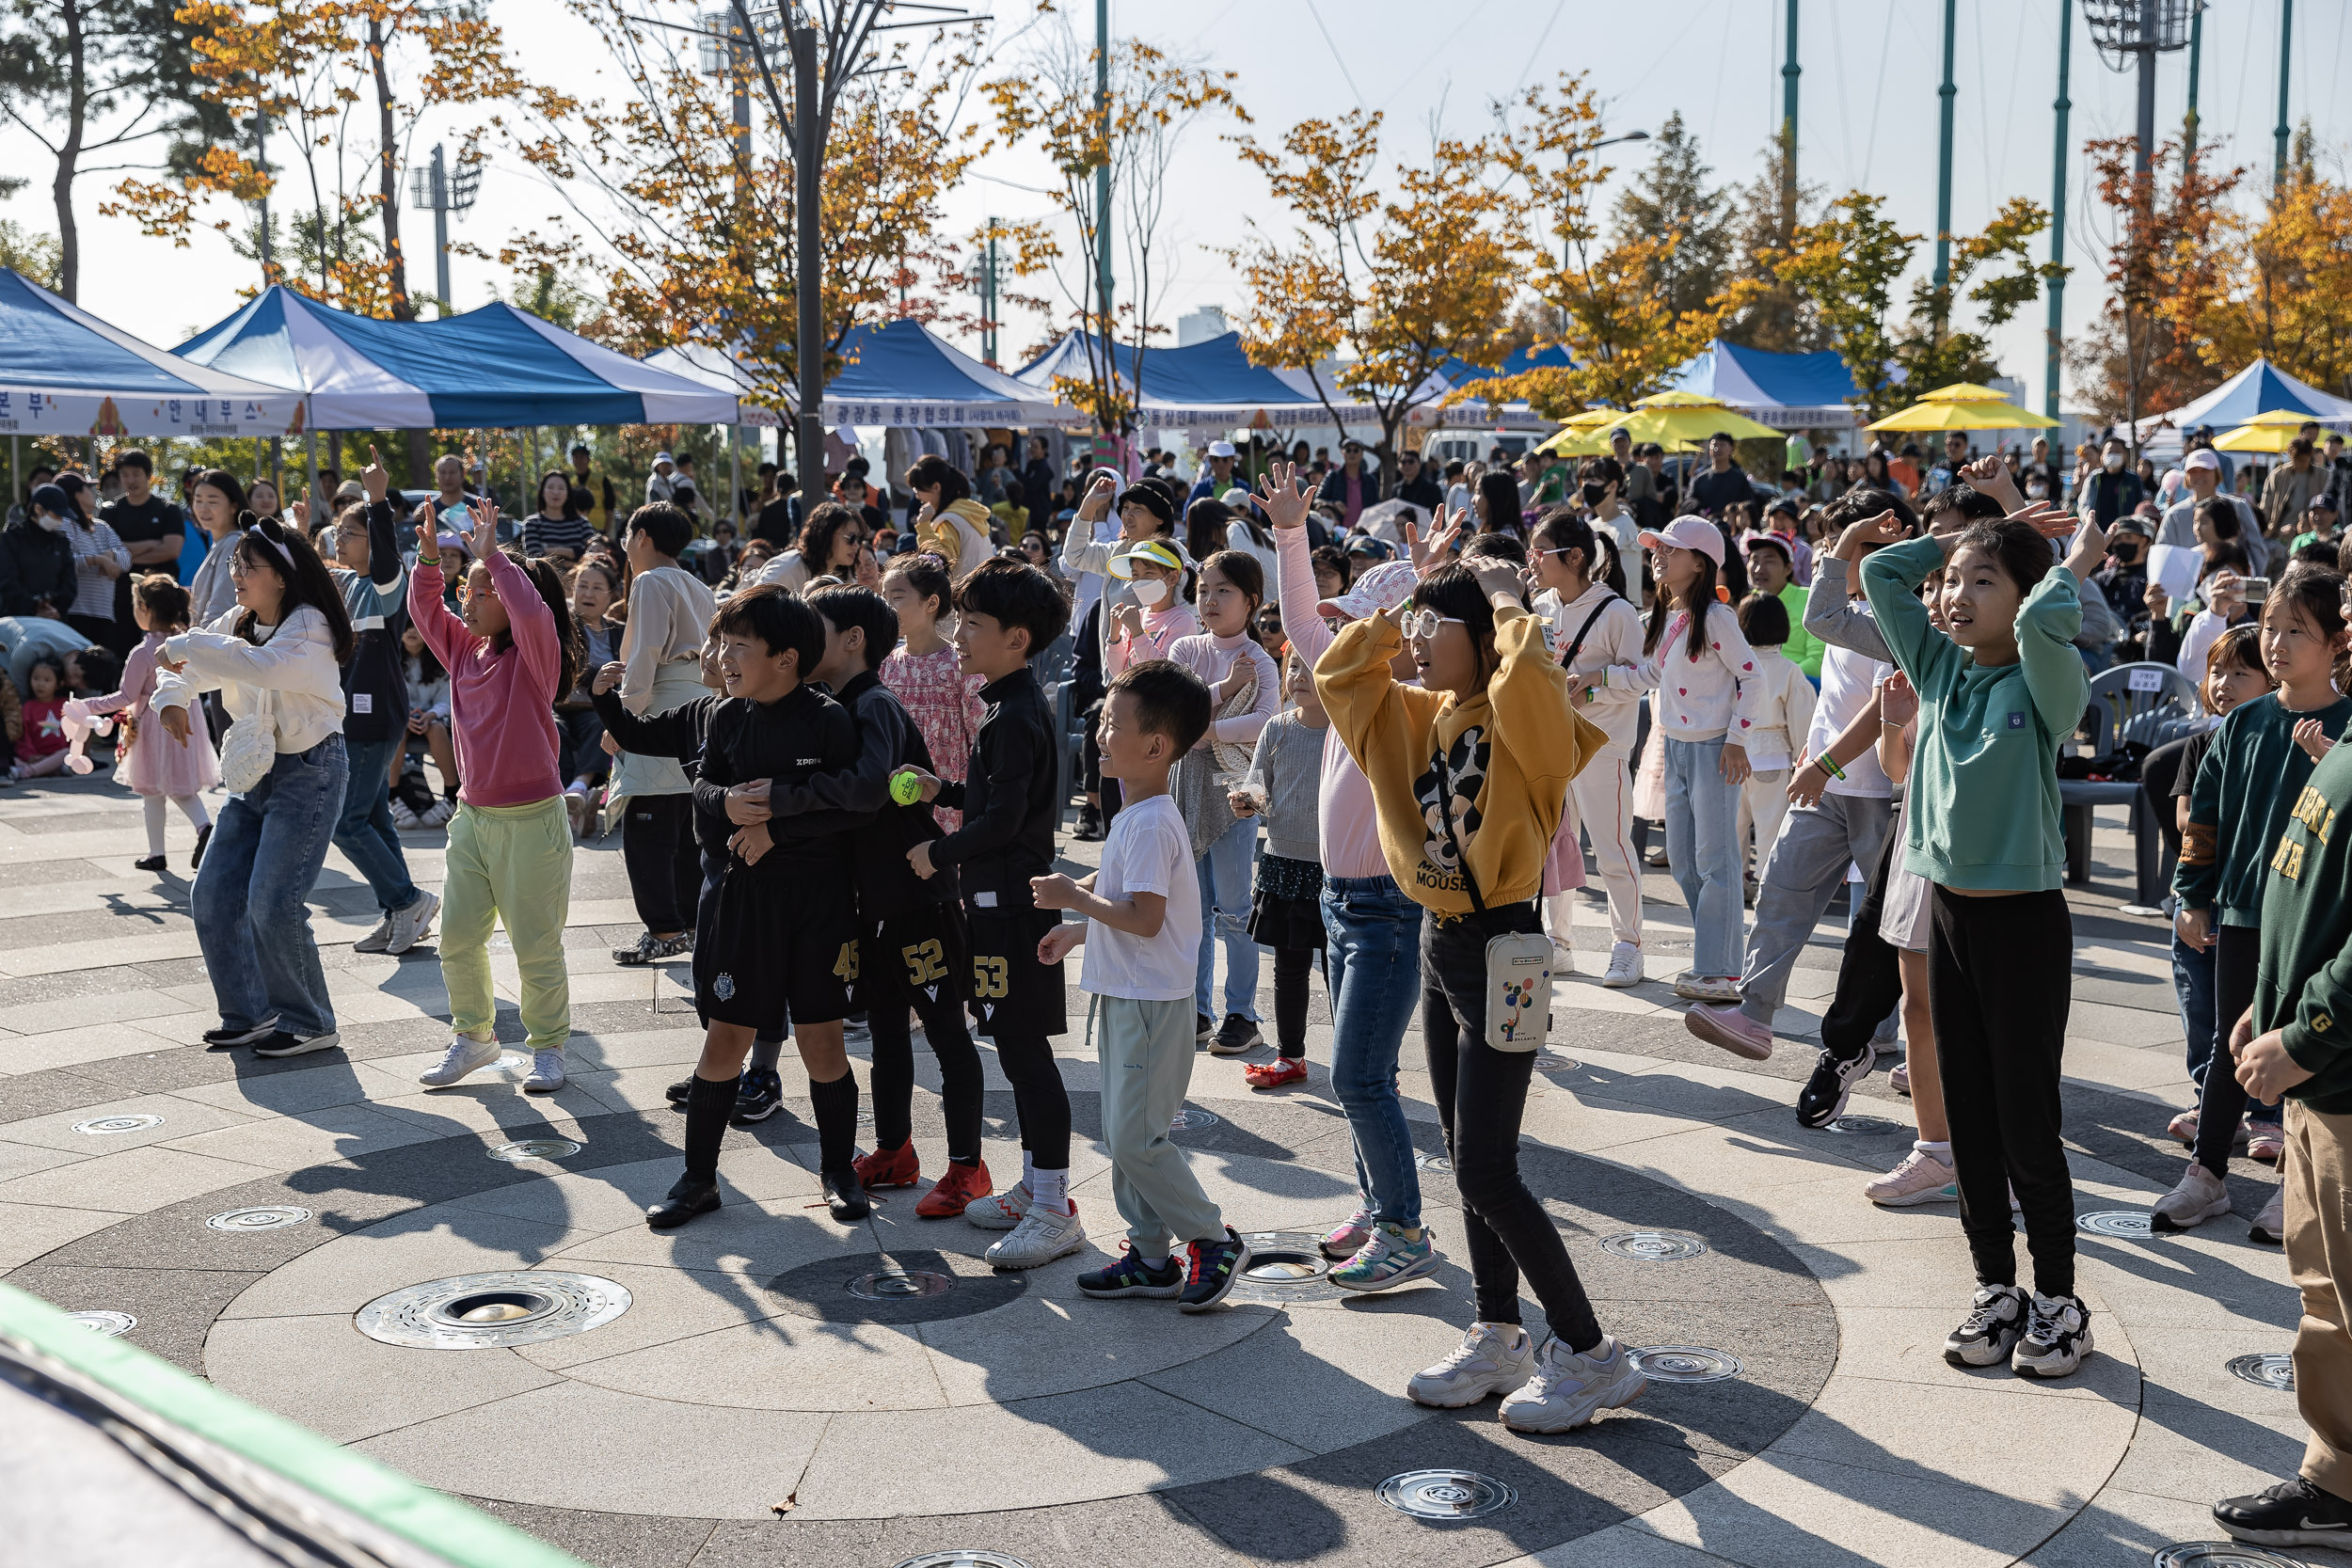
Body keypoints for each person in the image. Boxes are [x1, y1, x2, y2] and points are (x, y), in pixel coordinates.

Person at [1319, 546, 1645, 1431]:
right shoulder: (1423, 711)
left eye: (1436, 627)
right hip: (1442, 941)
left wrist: (1504, 596)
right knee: (1464, 1155)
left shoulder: (1519, 720)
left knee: (1488, 1166)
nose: (1420, 641)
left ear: (1488, 640)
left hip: (1507, 944)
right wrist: (1403, 605)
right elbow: (1340, 675)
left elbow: (1532, 677)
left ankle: (1588, 1352)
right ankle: (1500, 1332)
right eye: (1417, 627)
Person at [1861, 497, 2100, 1378]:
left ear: (2026, 595)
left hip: (2024, 924)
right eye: (1953, 581)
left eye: (1981, 580)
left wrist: (2070, 560)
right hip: (1950, 916)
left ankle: (2059, 1301)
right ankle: (1995, 1285)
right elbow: (1884, 573)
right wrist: (1966, 533)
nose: (1956, 593)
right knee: (1968, 1116)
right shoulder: (1940, 672)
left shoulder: (2044, 682)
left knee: (2027, 1122)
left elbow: (2043, 624)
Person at [596, 585, 871, 1226]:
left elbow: (851, 807)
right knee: (725, 1038)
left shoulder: (826, 719)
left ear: (787, 657)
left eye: (740, 647)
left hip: (819, 903)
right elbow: (704, 791)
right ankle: (698, 1178)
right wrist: (725, 804)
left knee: (822, 1041)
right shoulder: (724, 717)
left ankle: (838, 1170)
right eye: (723, 644)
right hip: (745, 901)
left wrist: (775, 818)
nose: (724, 658)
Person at [760, 584, 992, 1218]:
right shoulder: (833, 704)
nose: (803, 643)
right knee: (888, 1030)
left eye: (816, 628)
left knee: (946, 1031)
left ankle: (969, 1166)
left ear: (854, 639)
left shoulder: (875, 704)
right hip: (874, 906)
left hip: (919, 899)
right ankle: (895, 1150)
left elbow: (866, 790)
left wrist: (779, 799)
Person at [1034, 658, 1254, 1310]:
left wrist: (1076, 898)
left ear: (1156, 745)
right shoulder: (1136, 814)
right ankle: (1151, 1256)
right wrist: (1081, 929)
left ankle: (1212, 1238)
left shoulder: (1154, 819)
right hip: (1130, 997)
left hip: (1153, 1005)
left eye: (1113, 723)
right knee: (1126, 1131)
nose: (1101, 733)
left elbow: (1145, 916)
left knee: (1135, 1136)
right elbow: (1128, 906)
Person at [1685, 486, 1922, 1061]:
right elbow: (1839, 697)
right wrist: (1813, 753)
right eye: (1829, 544)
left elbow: (1879, 707)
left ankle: (1900, 1036)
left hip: (1880, 793)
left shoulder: (1904, 616)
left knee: (1891, 925)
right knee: (1780, 894)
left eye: (1846, 545)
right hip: (1825, 785)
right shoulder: (1859, 611)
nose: (1832, 558)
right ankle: (1755, 1014)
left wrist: (1825, 761)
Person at [2201, 662, 2352, 1555]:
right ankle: (2335, 1482)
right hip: (2321, 1075)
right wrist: (2274, 997)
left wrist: (2304, 1034)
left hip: (2339, 1077)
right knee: (2326, 1289)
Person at [2156, 567, 2349, 1233]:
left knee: (2299, 1052)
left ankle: (2296, 1180)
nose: (2278, 642)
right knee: (2225, 1046)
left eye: (2298, 629)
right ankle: (2207, 1172)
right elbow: (2202, 818)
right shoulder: (2242, 725)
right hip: (2241, 911)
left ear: (2335, 643)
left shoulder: (2347, 728)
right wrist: (2191, 894)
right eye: (2270, 626)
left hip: (2313, 922)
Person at [901, 560, 1079, 1268]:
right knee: (1011, 1045)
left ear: (1017, 637)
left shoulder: (1014, 713)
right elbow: (994, 802)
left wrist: (937, 852)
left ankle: (1054, 1204)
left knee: (1027, 1054)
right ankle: (1036, 1188)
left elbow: (1005, 822)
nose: (960, 635)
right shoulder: (1007, 705)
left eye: (972, 624)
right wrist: (940, 787)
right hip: (997, 905)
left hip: (1011, 908)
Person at [151, 515, 355, 1060]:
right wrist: (171, 696)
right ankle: (250, 1014)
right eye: (237, 563)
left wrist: (186, 647)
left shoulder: (310, 625)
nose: (237, 573)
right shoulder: (240, 618)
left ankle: (310, 1020)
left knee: (273, 902)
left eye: (249, 565)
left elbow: (256, 667)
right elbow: (195, 665)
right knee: (213, 895)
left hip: (310, 770)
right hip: (255, 773)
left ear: (283, 576)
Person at [403, 500, 579, 1093]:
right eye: (466, 590)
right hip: (472, 818)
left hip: (533, 821)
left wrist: (493, 558)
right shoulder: (463, 652)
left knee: (535, 945)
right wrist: (429, 556)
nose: (466, 601)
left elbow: (533, 614)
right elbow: (425, 606)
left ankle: (549, 1048)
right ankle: (474, 1037)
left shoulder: (536, 658)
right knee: (456, 938)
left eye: (480, 593)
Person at [1610, 515, 1762, 1001]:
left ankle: (1718, 969)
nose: (1659, 555)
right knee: (1682, 862)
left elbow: (1753, 677)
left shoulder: (1716, 617)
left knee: (1714, 861)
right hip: (1675, 747)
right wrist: (1596, 684)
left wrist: (1738, 739)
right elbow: (1649, 674)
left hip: (1715, 749)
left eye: (1670, 550)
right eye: (1658, 549)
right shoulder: (1675, 615)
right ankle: (1719, 960)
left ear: (1700, 563)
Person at [2159, 627, 2273, 1153]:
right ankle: (2209, 1097)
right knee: (2199, 1001)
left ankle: (2265, 1111)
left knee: (2257, 1002)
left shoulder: (2280, 741)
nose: (2223, 683)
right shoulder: (2205, 743)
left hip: (2256, 898)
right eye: (2217, 672)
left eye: (2240, 674)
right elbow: (2187, 817)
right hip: (2203, 890)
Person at [321, 451, 437, 957]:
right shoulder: (347, 583)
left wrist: (376, 500)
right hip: (353, 717)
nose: (339, 542)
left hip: (375, 716)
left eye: (349, 534)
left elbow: (389, 557)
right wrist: (305, 530)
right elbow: (313, 569)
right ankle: (400, 915)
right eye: (339, 534)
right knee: (374, 819)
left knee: (346, 823)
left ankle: (408, 900)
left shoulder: (387, 585)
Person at [1165, 549, 1279, 1052]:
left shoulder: (1262, 660)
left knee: (1235, 909)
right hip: (1188, 787)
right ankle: (1196, 1009)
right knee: (1193, 908)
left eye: (1223, 591)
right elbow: (1170, 707)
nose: (1209, 600)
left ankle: (1242, 1014)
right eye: (1203, 590)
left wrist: (1209, 728)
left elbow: (1267, 722)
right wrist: (1224, 689)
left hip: (1238, 790)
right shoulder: (1185, 648)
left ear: (1251, 601)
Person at [1529, 507, 1647, 985]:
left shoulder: (1617, 611)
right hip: (1552, 744)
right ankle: (1558, 942)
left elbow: (1642, 678)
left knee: (1613, 847)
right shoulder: (1539, 608)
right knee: (1557, 847)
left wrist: (1595, 682)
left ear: (1574, 556)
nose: (1533, 561)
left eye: (1541, 552)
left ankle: (1628, 945)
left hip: (1602, 746)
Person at [611, 503, 716, 967]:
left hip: (661, 701)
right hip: (700, 706)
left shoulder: (650, 581)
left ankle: (664, 928)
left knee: (647, 827)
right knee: (685, 824)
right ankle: (689, 923)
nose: (626, 549)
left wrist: (622, 719)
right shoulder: (700, 586)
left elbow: (645, 654)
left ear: (643, 537)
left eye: (628, 538)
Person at [79, 574, 216, 868]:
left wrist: (86, 705)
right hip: (185, 720)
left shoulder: (143, 653)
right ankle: (195, 832)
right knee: (181, 786)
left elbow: (124, 696)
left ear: (145, 609)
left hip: (155, 729)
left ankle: (169, 848)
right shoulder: (184, 644)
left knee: (153, 790)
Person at [879, 552, 983, 834]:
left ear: (931, 603)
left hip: (947, 793)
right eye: (884, 597)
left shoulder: (961, 665)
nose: (887, 606)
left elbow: (978, 736)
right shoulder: (885, 664)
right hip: (895, 789)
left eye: (897, 597)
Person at [1731, 593, 1817, 894]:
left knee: (1733, 829)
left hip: (1732, 759)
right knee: (1769, 831)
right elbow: (1801, 721)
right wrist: (1801, 761)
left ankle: (1734, 886)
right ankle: (1766, 895)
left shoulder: (1733, 668)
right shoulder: (1789, 670)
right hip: (1772, 761)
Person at [559, 557, 622, 837]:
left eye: (597, 588)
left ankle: (578, 789)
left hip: (597, 706)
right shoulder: (564, 625)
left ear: (611, 596)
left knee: (602, 723)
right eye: (582, 586)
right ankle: (573, 797)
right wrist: (610, 673)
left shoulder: (620, 631)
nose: (587, 593)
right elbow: (573, 665)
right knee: (552, 728)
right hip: (562, 701)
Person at [98, 451, 183, 656]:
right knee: (122, 651)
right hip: (121, 595)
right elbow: (106, 552)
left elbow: (171, 550)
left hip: (162, 593)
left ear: (148, 475)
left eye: (136, 474)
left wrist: (124, 554)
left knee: (166, 649)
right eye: (125, 475)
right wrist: (153, 543)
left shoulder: (167, 510)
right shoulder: (110, 512)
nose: (131, 480)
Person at [56, 474, 129, 648]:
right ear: (77, 494)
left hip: (104, 615)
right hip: (75, 614)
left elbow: (126, 559)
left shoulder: (102, 527)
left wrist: (110, 556)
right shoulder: (64, 524)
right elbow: (62, 564)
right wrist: (96, 560)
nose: (93, 492)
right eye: (88, 488)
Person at [2160, 449, 2264, 568]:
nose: (2199, 475)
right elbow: (2164, 554)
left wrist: (2250, 581)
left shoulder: (2238, 506)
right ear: (2186, 476)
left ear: (2216, 473)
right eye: (2193, 471)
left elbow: (2257, 549)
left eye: (2205, 470)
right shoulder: (2174, 514)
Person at [1744, 533, 1821, 682]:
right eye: (1754, 560)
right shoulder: (1746, 604)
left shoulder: (1810, 599)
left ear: (1788, 568)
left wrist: (1773, 682)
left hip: (1798, 687)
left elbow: (1817, 662)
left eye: (1769, 561)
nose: (1759, 569)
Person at [907, 454, 996, 579]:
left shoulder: (948, 521)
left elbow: (942, 563)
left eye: (918, 490)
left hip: (961, 594)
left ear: (936, 487)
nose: (917, 496)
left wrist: (923, 526)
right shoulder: (969, 513)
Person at [755, 499, 866, 597]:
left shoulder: (846, 576)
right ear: (826, 534)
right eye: (851, 538)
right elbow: (751, 609)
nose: (857, 545)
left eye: (859, 539)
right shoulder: (787, 569)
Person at [2264, 437, 2329, 541]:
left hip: (2313, 535)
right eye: (2297, 460)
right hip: (2282, 534)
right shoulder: (2277, 476)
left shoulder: (2323, 476)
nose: (2300, 464)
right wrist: (2271, 529)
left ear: (2310, 456)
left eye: (2304, 460)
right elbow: (2266, 508)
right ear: (2290, 456)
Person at [520, 471, 593, 563]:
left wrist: (550, 550)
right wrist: (575, 555)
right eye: (551, 487)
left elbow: (593, 554)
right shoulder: (532, 523)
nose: (556, 492)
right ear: (542, 492)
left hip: (582, 577)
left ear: (568, 494)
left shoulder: (582, 523)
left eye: (561, 488)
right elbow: (535, 559)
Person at [1686, 433, 1757, 517]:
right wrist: (1699, 509)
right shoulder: (1699, 479)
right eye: (1714, 445)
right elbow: (1689, 501)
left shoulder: (1739, 478)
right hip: (1705, 526)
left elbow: (1748, 504)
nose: (1717, 448)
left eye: (1722, 445)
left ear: (1731, 449)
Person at [1318, 440, 1374, 531]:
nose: (1352, 453)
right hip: (1337, 533)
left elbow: (1375, 507)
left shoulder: (1370, 480)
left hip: (1363, 532)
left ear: (1362, 454)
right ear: (1342, 453)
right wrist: (1333, 504)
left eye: (1356, 450)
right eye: (1348, 450)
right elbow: (1317, 500)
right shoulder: (1333, 476)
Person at [1188, 439, 1243, 506]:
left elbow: (1253, 513)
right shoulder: (1200, 488)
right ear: (1210, 461)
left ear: (1233, 460)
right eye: (1216, 459)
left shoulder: (1243, 487)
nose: (1220, 463)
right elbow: (1188, 513)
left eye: (1225, 459)